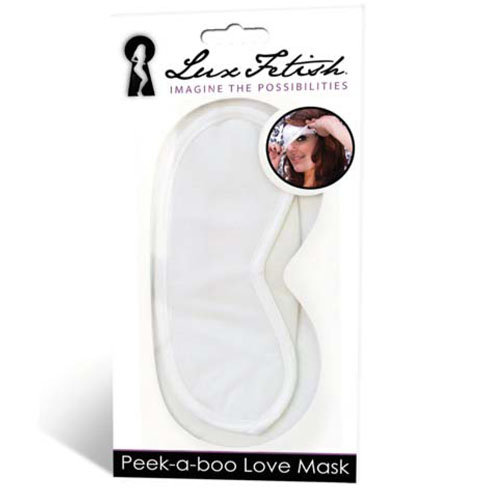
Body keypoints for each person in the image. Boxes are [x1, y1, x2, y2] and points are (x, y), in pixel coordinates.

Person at [268, 109, 353, 188]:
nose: (289, 148)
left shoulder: (344, 185)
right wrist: (270, 169)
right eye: (286, 141)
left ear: (323, 142)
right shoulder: (286, 185)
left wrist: (331, 123)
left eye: (301, 139)